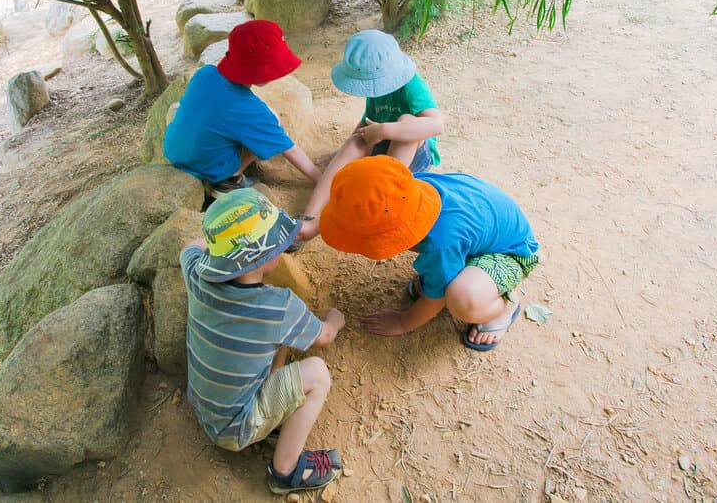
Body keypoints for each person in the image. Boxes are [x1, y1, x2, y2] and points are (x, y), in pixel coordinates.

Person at [181, 188, 346, 494]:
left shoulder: (195, 275)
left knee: (282, 340)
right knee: (318, 374)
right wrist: (336, 320)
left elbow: (190, 247)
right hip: (234, 428)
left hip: (205, 406)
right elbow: (323, 336)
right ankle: (285, 471)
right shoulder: (277, 305)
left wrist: (223, 250)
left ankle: (271, 412)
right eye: (278, 245)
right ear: (265, 258)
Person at [318, 155, 540, 351]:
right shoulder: (408, 191)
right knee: (442, 269)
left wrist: (403, 322)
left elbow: (436, 298)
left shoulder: (441, 242)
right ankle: (462, 269)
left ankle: (503, 305)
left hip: (512, 253)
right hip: (481, 235)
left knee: (463, 299)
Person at [295, 29, 443, 241]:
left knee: (407, 122)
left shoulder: (412, 85)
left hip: (411, 160)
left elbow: (436, 124)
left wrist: (384, 130)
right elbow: (366, 124)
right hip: (383, 152)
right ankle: (309, 214)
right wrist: (342, 153)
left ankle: (379, 192)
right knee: (358, 139)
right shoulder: (378, 90)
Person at [164, 19, 322, 198]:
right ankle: (229, 180)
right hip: (211, 169)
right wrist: (321, 180)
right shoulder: (252, 111)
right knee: (272, 118)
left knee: (178, 109)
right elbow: (290, 150)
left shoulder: (205, 73)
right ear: (261, 71)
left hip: (173, 152)